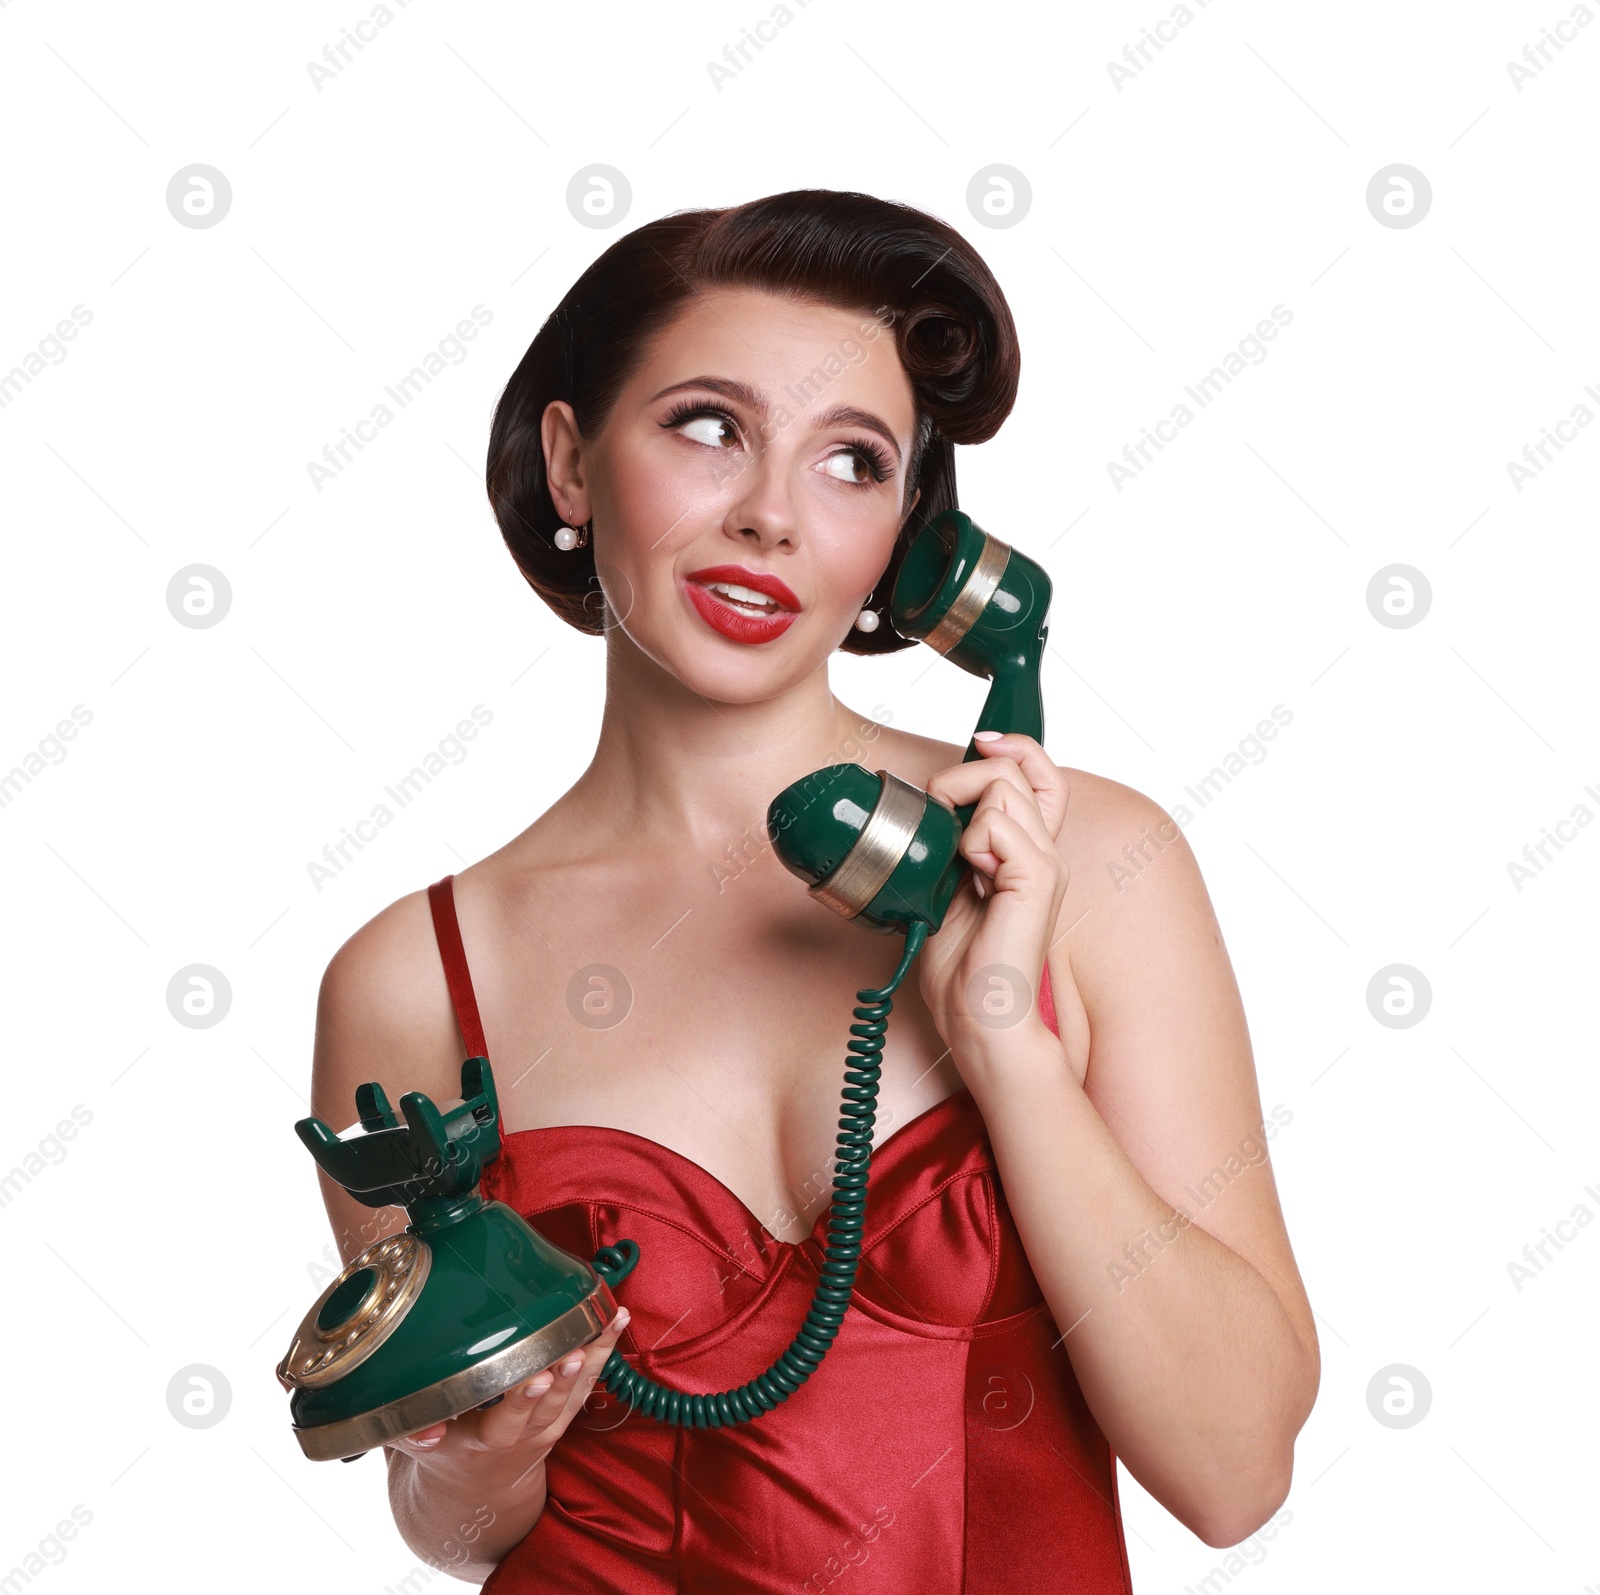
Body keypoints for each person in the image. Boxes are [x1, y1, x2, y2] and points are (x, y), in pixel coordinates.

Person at [308, 189, 1319, 1590]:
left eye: (852, 462)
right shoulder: (413, 977)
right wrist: (473, 1466)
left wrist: (1008, 1047)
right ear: (572, 461)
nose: (772, 516)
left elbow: (1235, 1473)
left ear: (910, 544)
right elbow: (457, 1521)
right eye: (708, 428)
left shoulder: (1092, 867)